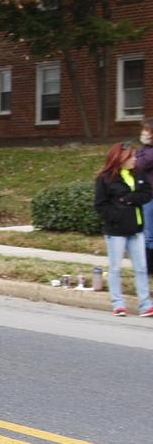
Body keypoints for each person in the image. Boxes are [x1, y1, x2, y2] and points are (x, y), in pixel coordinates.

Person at [94, 141, 153, 317]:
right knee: (115, 268)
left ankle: (145, 305)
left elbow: (147, 193)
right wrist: (115, 217)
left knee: (141, 268)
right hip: (116, 231)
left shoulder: (138, 174)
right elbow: (100, 205)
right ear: (120, 158)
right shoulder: (105, 178)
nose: (135, 159)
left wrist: (128, 200)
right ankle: (118, 303)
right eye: (131, 157)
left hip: (136, 229)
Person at [135, 119, 153, 272]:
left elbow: (138, 164)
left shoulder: (150, 152)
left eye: (147, 130)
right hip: (146, 194)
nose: (143, 133)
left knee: (148, 233)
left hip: (150, 196)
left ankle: (149, 267)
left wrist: (138, 154)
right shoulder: (145, 149)